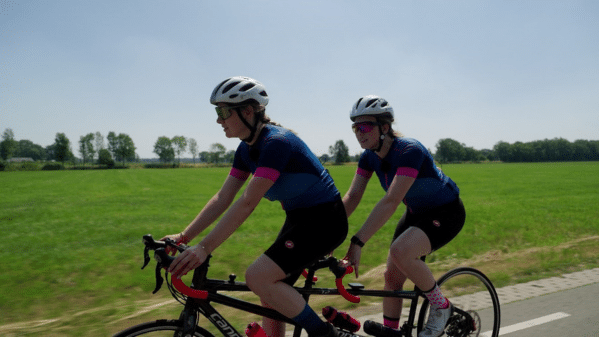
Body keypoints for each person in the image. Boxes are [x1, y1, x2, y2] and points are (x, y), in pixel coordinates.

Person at [162, 76, 348, 337]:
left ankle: (326, 333)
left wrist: (204, 248)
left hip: (325, 220)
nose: (218, 120)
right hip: (299, 219)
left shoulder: (277, 143)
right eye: (218, 112)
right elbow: (223, 198)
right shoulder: (246, 150)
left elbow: (248, 201)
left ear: (248, 111)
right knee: (269, 292)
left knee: (258, 277)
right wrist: (184, 236)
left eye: (224, 112)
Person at [341, 96, 466, 337]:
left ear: (384, 127)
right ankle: (391, 332)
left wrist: (357, 242)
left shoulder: (409, 150)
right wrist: (325, 231)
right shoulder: (368, 157)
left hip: (446, 211)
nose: (359, 133)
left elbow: (391, 201)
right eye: (355, 127)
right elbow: (353, 196)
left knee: (401, 251)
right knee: (392, 276)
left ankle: (442, 307)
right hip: (416, 213)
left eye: (365, 127)